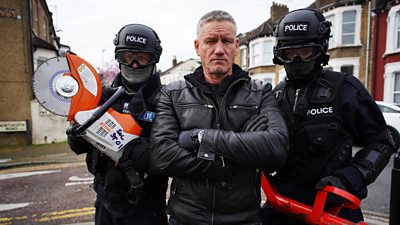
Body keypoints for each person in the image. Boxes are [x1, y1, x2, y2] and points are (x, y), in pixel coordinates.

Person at [149, 10, 289, 225]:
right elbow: (162, 157)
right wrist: (229, 161)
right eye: (211, 41)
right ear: (198, 47)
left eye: (227, 41)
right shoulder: (173, 93)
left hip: (244, 219)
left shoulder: (261, 92)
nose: (219, 49)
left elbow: (277, 148)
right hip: (186, 218)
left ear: (236, 46)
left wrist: (199, 138)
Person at [260, 8, 396, 224]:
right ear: (280, 53)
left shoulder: (345, 89)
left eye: (305, 51)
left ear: (319, 49)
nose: (296, 58)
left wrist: (349, 178)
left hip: (332, 208)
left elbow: (382, 141)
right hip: (282, 205)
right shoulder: (275, 95)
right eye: (289, 53)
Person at [66, 24, 168, 225]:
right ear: (118, 57)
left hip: (148, 207)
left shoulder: (166, 101)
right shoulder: (101, 97)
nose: (135, 64)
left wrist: (141, 153)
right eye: (128, 56)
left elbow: (173, 156)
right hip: (106, 204)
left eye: (142, 57)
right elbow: (78, 147)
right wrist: (76, 136)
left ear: (154, 58)